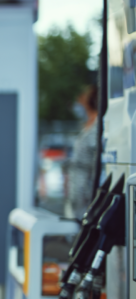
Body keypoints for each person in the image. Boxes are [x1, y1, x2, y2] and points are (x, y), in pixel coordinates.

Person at [65, 84, 98, 218]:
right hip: (80, 203)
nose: (79, 105)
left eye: (82, 101)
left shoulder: (97, 130)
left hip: (86, 205)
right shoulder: (89, 128)